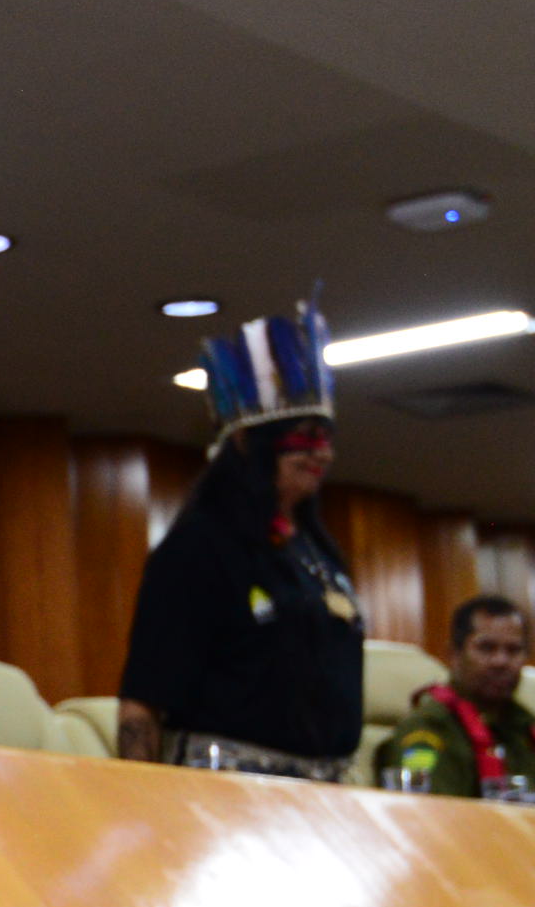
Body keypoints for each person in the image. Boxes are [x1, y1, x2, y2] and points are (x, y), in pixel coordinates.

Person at [117, 306, 364, 779]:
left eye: (327, 439)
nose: (322, 453)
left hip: (327, 790)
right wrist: (140, 793)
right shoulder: (198, 548)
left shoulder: (318, 554)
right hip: (226, 785)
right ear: (252, 445)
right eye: (303, 438)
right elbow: (143, 698)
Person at [373, 594, 535, 801]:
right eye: (486, 648)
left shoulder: (526, 726)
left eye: (513, 650)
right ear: (454, 654)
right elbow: (428, 810)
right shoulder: (429, 728)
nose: (501, 661)